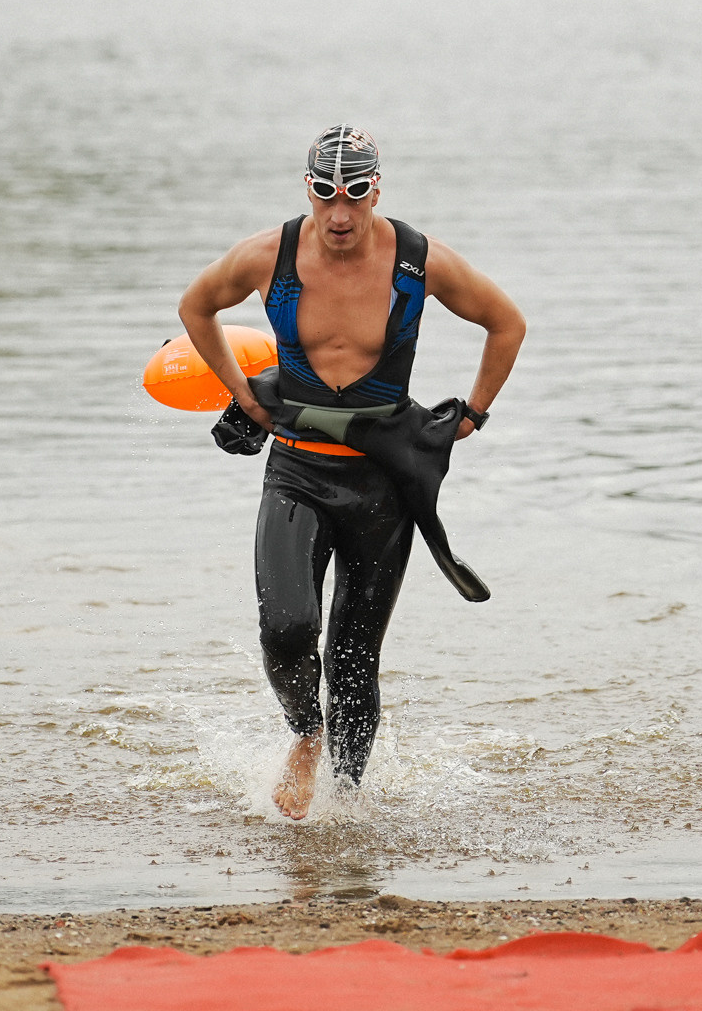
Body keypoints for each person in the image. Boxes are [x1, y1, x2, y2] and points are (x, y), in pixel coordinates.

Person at [177, 126, 526, 820]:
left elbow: (506, 323)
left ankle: (348, 812)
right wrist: (242, 393)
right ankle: (306, 735)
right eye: (326, 194)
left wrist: (473, 415)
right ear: (307, 189)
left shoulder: (419, 263)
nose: (340, 213)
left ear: (377, 190)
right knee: (285, 628)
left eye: (356, 194)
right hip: (297, 473)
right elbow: (197, 307)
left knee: (355, 660)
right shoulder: (268, 255)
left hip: (382, 487)